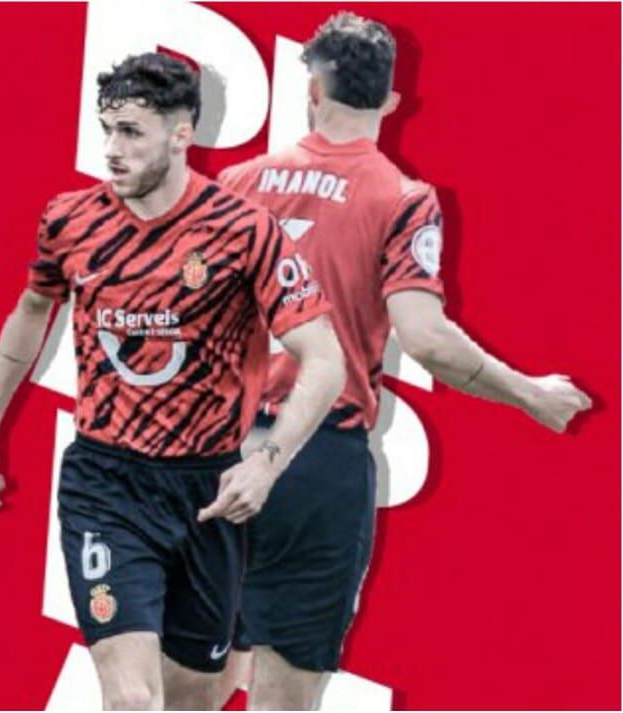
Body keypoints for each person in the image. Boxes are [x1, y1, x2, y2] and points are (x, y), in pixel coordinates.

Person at [212, 13, 593, 710]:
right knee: (283, 700)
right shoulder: (403, 199)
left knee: (191, 688)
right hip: (316, 461)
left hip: (217, 451)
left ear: (311, 93)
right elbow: (426, 339)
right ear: (391, 102)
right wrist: (530, 392)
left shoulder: (237, 182)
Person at [0, 52, 347, 710]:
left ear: (181, 133)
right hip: (105, 484)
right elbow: (31, 312)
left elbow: (326, 357)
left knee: (193, 697)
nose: (112, 149)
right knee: (132, 699)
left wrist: (267, 463)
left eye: (131, 132)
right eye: (106, 128)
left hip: (210, 491)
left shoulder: (244, 231)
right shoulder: (69, 221)